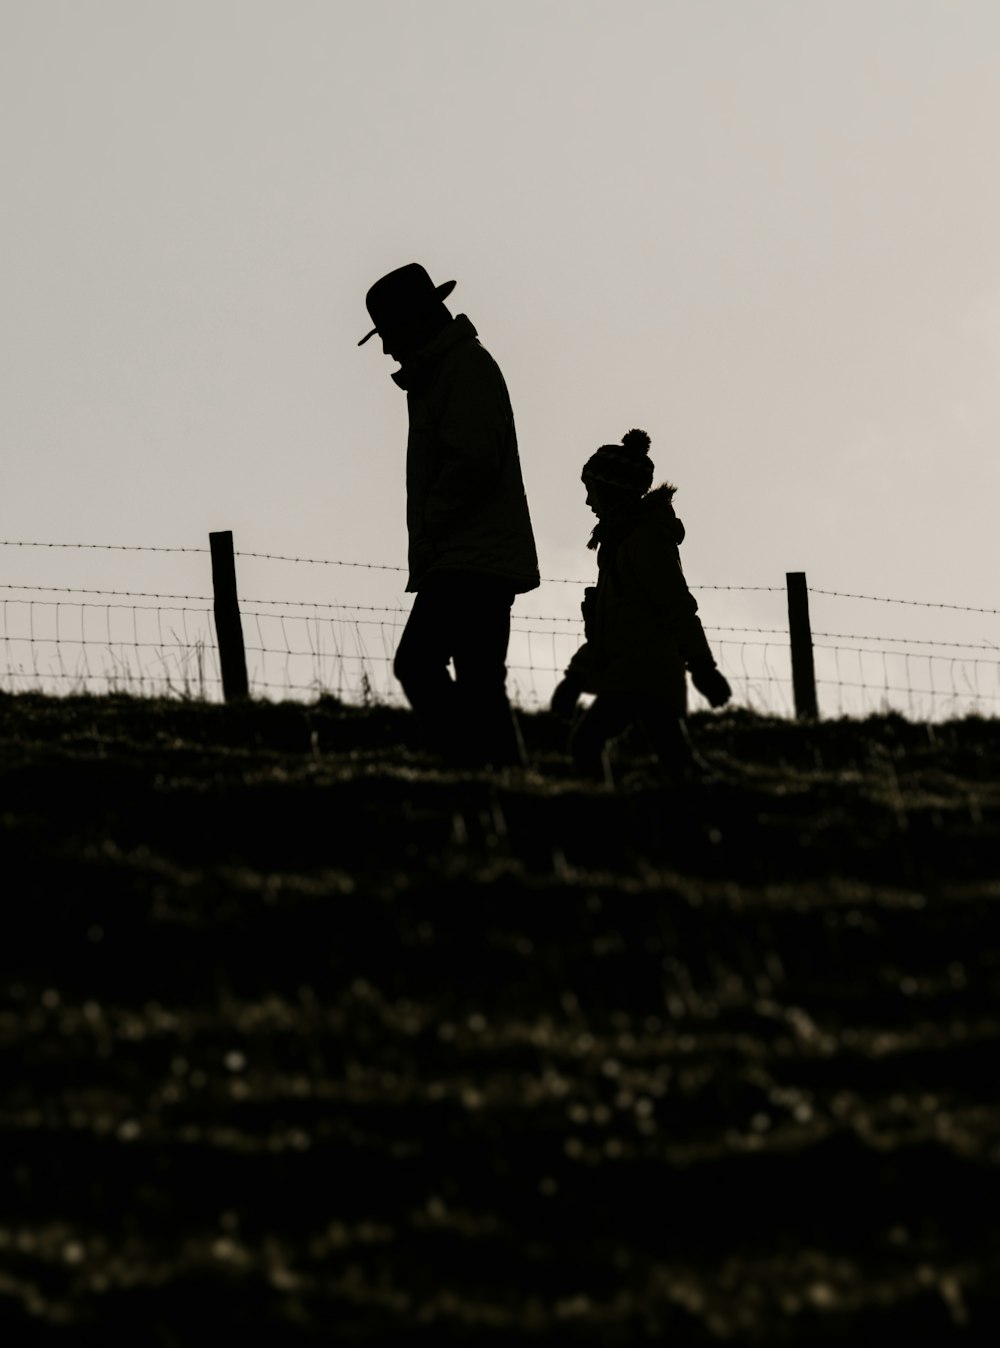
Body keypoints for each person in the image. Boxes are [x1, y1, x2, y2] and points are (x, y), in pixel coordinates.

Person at [359, 262, 539, 766]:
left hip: (469, 558)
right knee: (480, 684)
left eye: (389, 333)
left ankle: (470, 766)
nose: (387, 348)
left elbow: (473, 462)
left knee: (418, 665)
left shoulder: (463, 369)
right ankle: (503, 780)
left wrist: (434, 521)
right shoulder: (449, 370)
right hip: (473, 555)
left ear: (415, 321)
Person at [549, 428, 731, 780]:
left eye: (591, 491)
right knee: (677, 761)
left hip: (644, 676)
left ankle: (608, 823)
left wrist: (703, 668)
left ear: (611, 490)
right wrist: (575, 678)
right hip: (636, 676)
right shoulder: (618, 543)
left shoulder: (644, 540)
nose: (588, 502)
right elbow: (609, 628)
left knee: (588, 743)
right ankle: (715, 804)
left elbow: (677, 607)